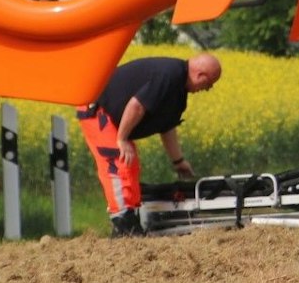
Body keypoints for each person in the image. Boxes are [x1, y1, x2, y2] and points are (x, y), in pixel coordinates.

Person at [75, 52, 221, 236]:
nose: (207, 89)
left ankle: (132, 221)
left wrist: (178, 161)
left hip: (114, 119)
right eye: (209, 84)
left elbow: (167, 128)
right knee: (118, 163)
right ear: (200, 75)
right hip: (98, 109)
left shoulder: (178, 91)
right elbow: (136, 105)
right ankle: (123, 225)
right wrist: (122, 139)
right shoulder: (169, 75)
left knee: (131, 165)